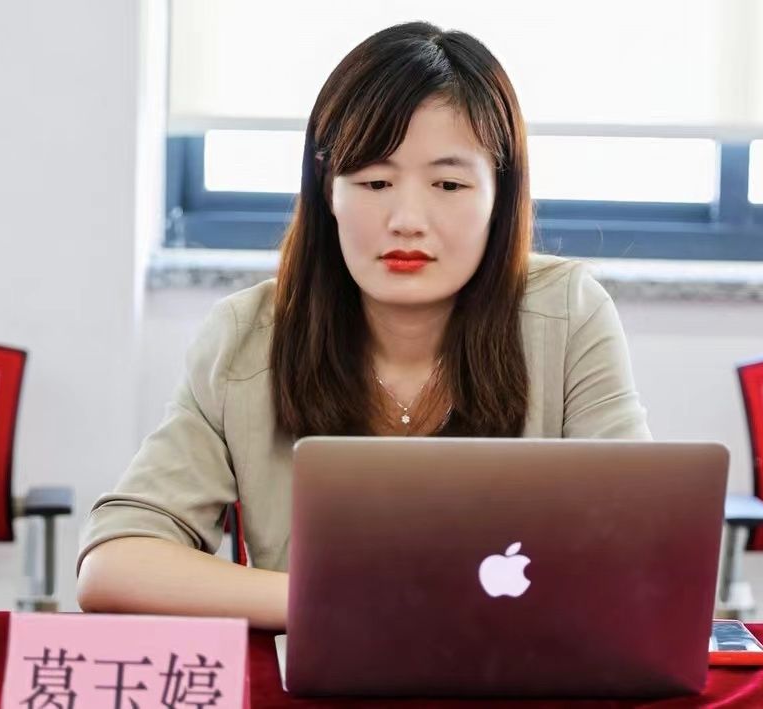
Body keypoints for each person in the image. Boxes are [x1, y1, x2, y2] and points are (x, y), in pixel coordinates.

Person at [76, 21, 650, 629]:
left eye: (448, 184)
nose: (407, 219)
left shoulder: (568, 313)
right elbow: (116, 563)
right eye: (375, 182)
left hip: (519, 667)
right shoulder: (248, 336)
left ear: (499, 195)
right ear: (328, 190)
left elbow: (641, 547)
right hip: (320, 670)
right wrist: (347, 604)